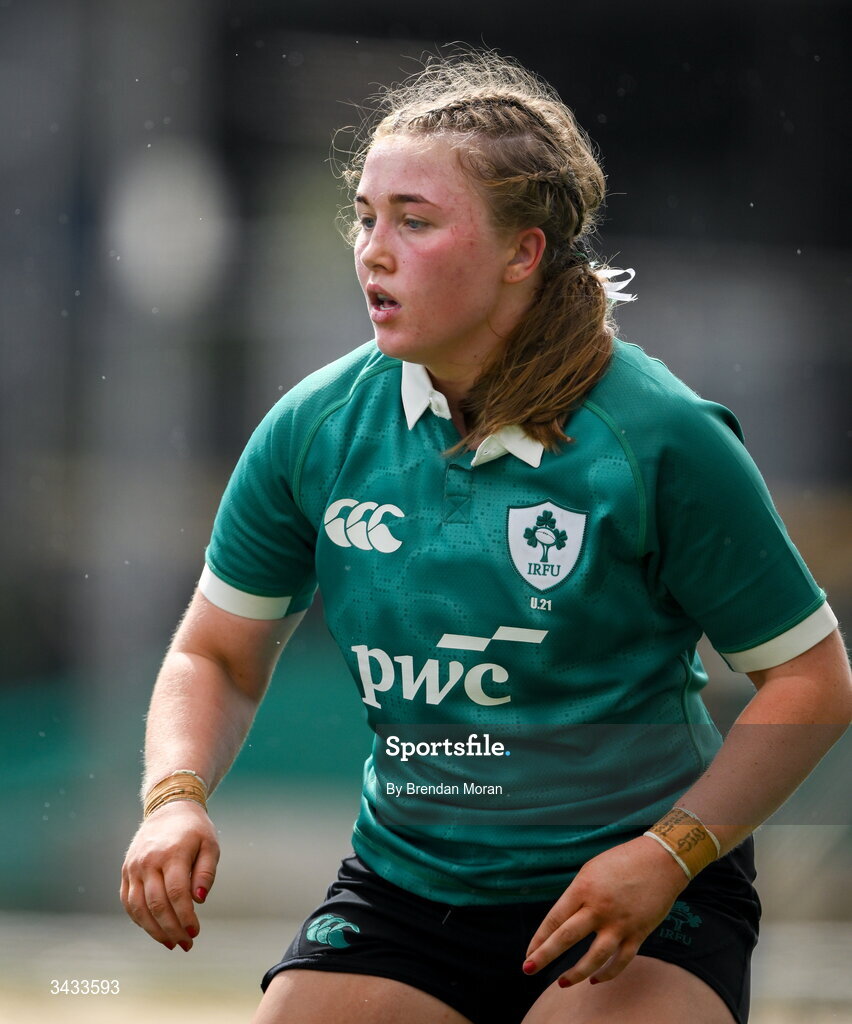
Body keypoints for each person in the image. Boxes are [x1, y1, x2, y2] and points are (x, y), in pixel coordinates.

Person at [120, 49, 851, 1024]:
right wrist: (174, 794)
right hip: (408, 887)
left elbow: (812, 681)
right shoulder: (314, 429)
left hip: (635, 890)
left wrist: (667, 854)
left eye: (414, 221)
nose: (373, 250)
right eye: (365, 216)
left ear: (525, 252)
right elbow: (215, 652)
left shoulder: (660, 436)